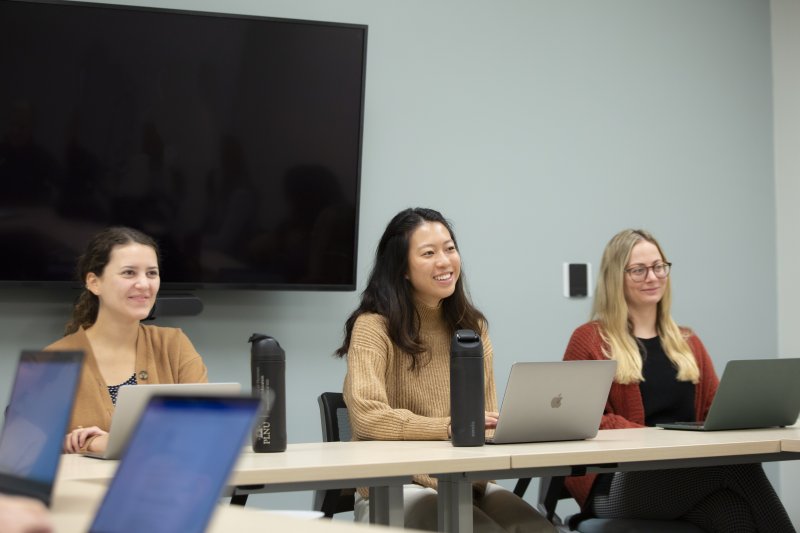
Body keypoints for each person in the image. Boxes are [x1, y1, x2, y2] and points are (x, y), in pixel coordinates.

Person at [335, 208, 554, 533]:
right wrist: (448, 428)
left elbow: (486, 419)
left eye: (450, 248)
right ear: (402, 269)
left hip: (467, 484)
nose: (444, 261)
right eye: (428, 253)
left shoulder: (472, 327)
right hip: (394, 490)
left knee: (540, 529)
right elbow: (367, 418)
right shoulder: (373, 326)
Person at [563, 229, 794, 532]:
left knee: (733, 515)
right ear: (614, 278)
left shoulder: (687, 342)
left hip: (684, 475)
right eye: (638, 270)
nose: (652, 277)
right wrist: (659, 436)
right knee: (738, 466)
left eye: (659, 266)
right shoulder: (591, 339)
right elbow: (581, 420)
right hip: (616, 484)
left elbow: (715, 411)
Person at [46, 227, 208, 455]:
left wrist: (96, 443)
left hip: (165, 485)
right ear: (94, 282)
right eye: (129, 273)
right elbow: (29, 449)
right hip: (83, 490)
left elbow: (202, 429)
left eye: (152, 273)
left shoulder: (174, 345)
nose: (144, 284)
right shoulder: (53, 360)